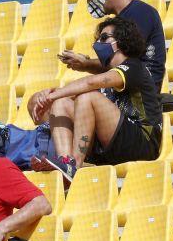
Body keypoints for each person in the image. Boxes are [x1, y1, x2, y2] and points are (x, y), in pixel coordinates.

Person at [28, 17, 163, 185]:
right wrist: (43, 98)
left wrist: (53, 94)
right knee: (61, 103)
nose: (98, 43)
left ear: (121, 41)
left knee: (87, 96)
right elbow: (54, 102)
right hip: (111, 148)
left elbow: (90, 83)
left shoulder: (134, 67)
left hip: (143, 144)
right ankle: (65, 162)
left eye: (105, 38)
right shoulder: (107, 78)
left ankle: (74, 165)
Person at [62, 0, 165, 86]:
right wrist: (84, 64)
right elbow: (116, 68)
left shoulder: (141, 13)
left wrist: (86, 64)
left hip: (139, 96)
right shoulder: (120, 20)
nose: (89, 3)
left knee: (78, 99)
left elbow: (121, 64)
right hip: (122, 89)